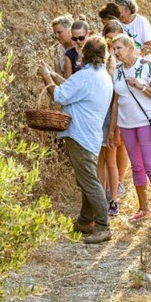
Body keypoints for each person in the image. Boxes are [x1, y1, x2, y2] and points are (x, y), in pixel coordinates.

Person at [39, 37, 114, 244]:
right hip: (91, 134)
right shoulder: (101, 76)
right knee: (87, 179)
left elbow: (60, 96)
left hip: (79, 134)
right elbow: (75, 89)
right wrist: (55, 76)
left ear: (85, 54)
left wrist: (47, 77)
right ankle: (84, 221)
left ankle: (102, 226)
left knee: (89, 182)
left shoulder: (86, 76)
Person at [111, 34, 151, 224]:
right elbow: (115, 102)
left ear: (129, 47)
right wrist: (113, 129)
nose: (116, 52)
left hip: (145, 122)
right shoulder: (117, 71)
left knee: (150, 166)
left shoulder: (145, 65)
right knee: (136, 167)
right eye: (114, 49)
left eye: (119, 47)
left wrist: (141, 86)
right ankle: (143, 208)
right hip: (125, 124)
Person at [99, 21, 125, 216]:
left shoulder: (122, 66)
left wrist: (114, 128)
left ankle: (114, 198)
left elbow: (117, 98)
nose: (112, 48)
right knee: (100, 160)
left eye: (115, 43)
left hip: (113, 115)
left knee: (112, 159)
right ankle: (101, 197)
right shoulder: (102, 61)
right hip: (99, 114)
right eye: (109, 43)